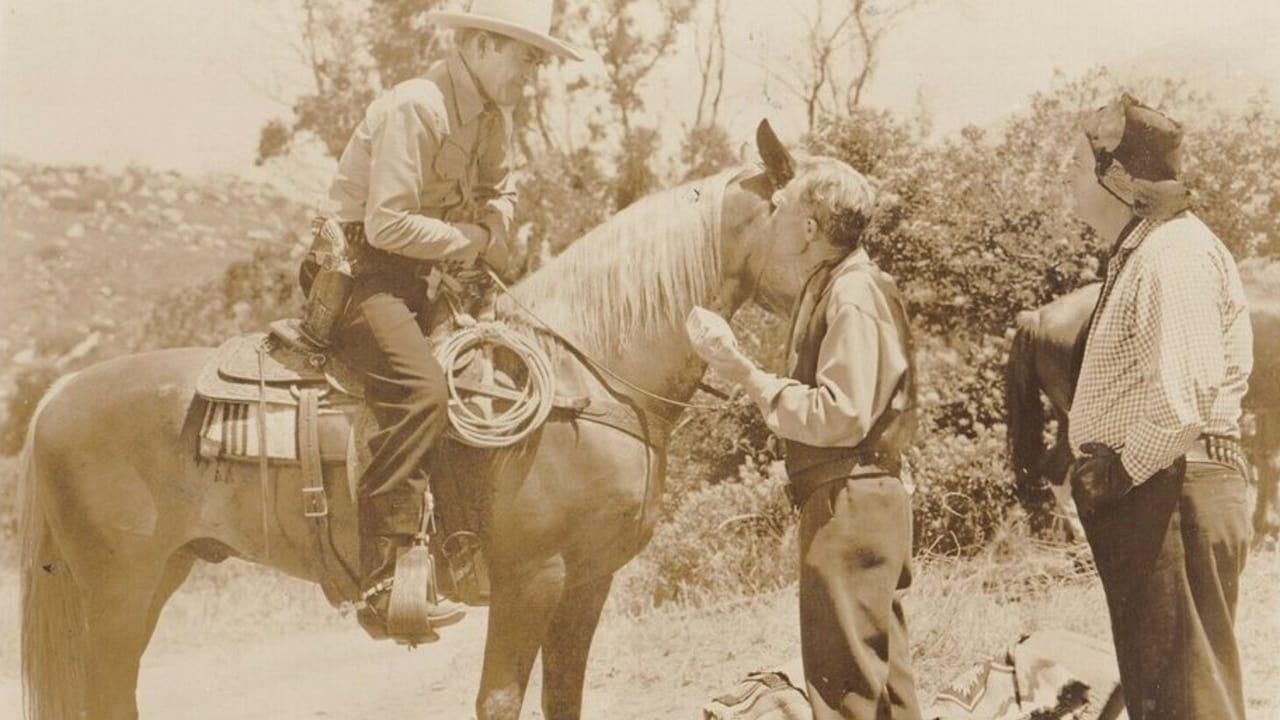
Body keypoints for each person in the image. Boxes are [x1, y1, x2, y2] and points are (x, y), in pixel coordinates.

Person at [325, 0, 582, 638]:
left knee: (497, 377)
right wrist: (473, 239)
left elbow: (504, 192)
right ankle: (384, 584)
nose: (532, 73)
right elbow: (386, 223)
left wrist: (491, 228)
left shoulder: (495, 115)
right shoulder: (419, 106)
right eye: (526, 57)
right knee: (423, 391)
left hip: (428, 277)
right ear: (483, 46)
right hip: (363, 276)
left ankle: (461, 548)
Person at [686, 164, 923, 720]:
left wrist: (741, 371)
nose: (776, 220)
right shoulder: (846, 284)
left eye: (785, 208)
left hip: (849, 502)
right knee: (884, 687)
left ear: (810, 226)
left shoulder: (852, 293)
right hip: (861, 498)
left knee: (846, 692)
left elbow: (839, 415)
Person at [1066, 93, 1253, 720]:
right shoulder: (1153, 249)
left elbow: (1184, 400)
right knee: (1168, 694)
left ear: (1117, 178)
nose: (1067, 180)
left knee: (1187, 700)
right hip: (1165, 489)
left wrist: (1116, 475)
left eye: (1075, 166)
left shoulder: (1171, 255)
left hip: (1169, 491)